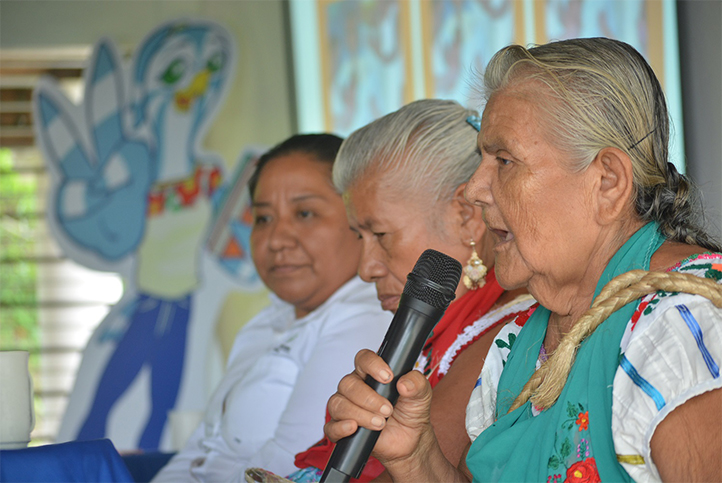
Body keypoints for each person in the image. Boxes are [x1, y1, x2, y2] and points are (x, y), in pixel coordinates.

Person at [324, 38, 722, 482]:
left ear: (607, 182)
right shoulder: (520, 342)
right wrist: (416, 460)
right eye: (481, 160)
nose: (476, 189)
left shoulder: (684, 323)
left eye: (505, 160)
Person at [289, 100, 533, 482]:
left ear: (466, 217)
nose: (365, 268)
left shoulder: (511, 330)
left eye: (380, 235)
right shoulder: (435, 338)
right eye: (359, 236)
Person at [152, 134, 392, 482]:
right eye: (263, 218)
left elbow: (285, 465)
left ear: (360, 220)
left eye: (305, 213)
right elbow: (198, 454)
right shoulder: (268, 320)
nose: (277, 239)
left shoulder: (366, 315)